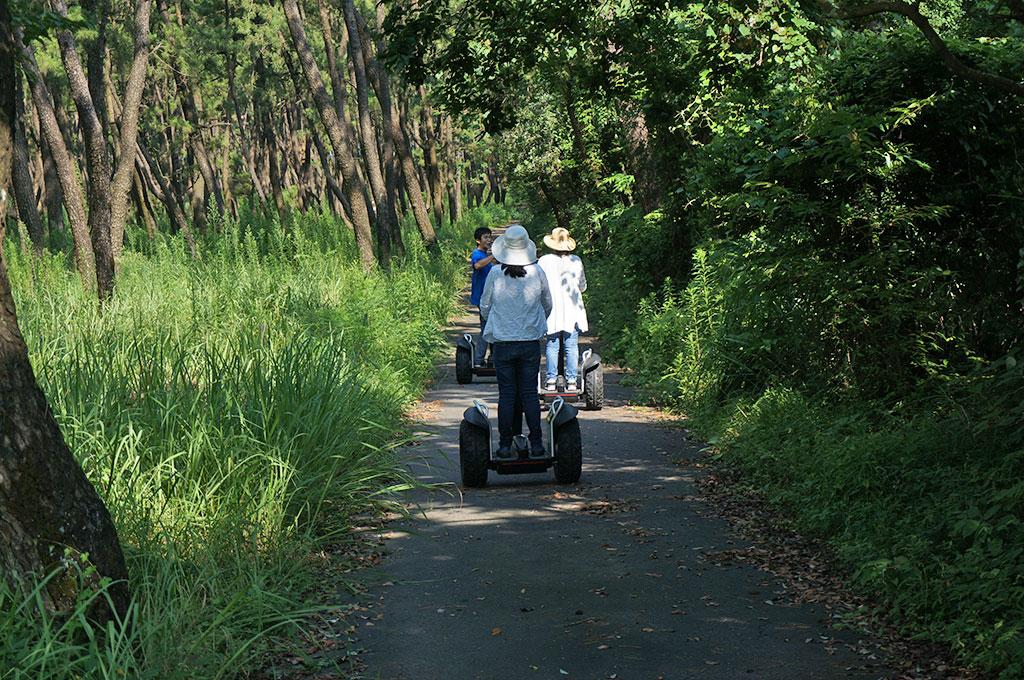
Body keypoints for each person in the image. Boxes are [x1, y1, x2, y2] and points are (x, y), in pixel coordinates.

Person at [480, 224, 552, 458]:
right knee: (530, 393)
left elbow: (484, 306)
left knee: (507, 394)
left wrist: (498, 319)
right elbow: (547, 304)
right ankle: (537, 444)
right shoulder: (538, 272)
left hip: (503, 343)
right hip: (530, 341)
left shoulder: (494, 273)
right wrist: (534, 321)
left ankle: (504, 445)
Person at [538, 227, 588, 391]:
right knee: (571, 345)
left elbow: (539, 284)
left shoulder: (544, 261)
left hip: (551, 307)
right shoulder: (576, 260)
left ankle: (551, 380)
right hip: (572, 307)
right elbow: (582, 286)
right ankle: (572, 381)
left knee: (552, 344)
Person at [469, 226, 495, 366]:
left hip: (491, 298)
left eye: (490, 237)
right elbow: (477, 265)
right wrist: (493, 257)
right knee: (486, 328)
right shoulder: (477, 254)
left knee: (493, 326)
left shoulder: (486, 255)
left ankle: (492, 358)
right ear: (478, 240)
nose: (489, 240)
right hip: (482, 298)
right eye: (486, 237)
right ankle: (479, 360)